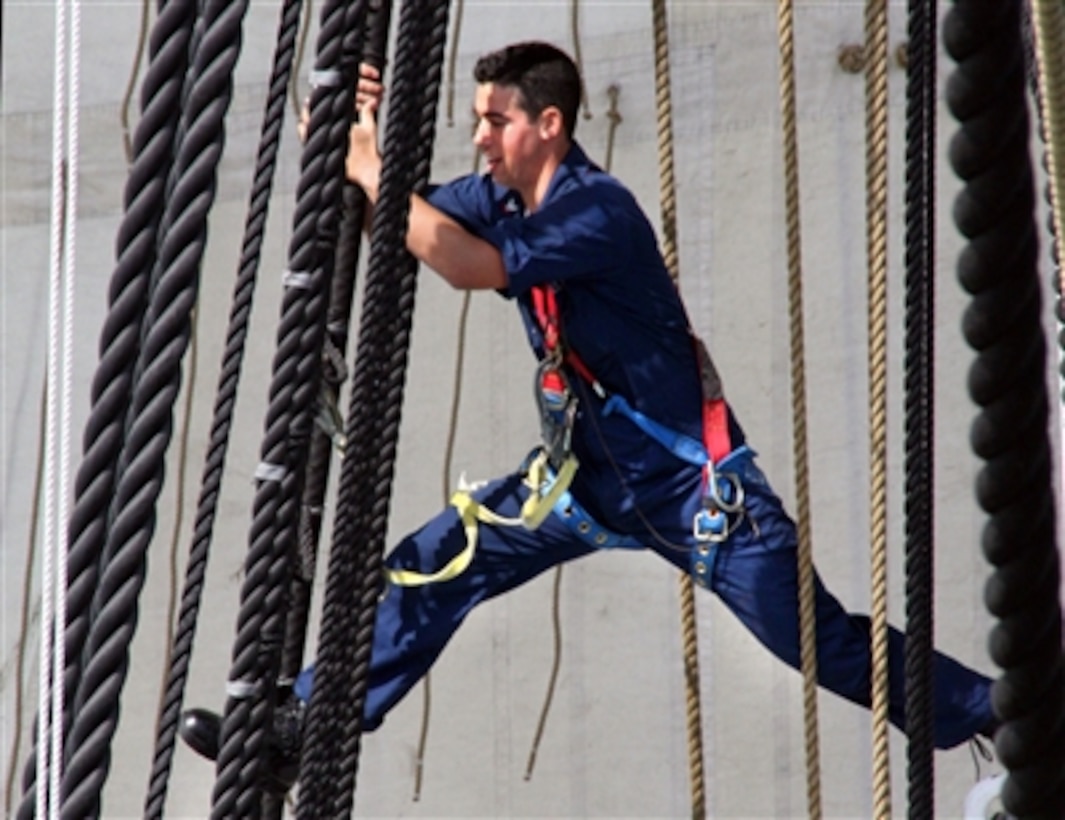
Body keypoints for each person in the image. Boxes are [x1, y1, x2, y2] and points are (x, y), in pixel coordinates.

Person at [182, 40, 996, 789]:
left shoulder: (594, 212)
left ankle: (992, 712)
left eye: (494, 122)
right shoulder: (499, 198)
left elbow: (463, 265)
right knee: (436, 560)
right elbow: (402, 224)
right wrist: (340, 137)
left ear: (548, 123)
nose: (480, 140)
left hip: (696, 495)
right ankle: (307, 722)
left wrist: (373, 173)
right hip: (586, 484)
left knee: (814, 642)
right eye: (477, 123)